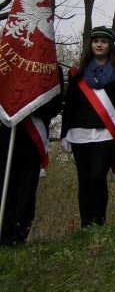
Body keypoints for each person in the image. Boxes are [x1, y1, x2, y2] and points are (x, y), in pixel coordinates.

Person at [60, 26, 115, 227]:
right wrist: (64, 134)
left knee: (97, 176)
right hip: (79, 132)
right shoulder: (77, 74)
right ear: (90, 45)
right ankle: (86, 223)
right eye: (95, 41)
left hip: (106, 133)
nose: (99, 44)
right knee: (84, 179)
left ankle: (99, 222)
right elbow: (70, 106)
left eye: (104, 41)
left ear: (110, 46)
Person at [0, 74, 63, 245]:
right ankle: (4, 233)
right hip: (7, 136)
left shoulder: (50, 68)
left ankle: (20, 235)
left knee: (27, 189)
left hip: (32, 138)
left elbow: (56, 104)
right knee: (6, 187)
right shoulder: (7, 63)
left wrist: (30, 106)